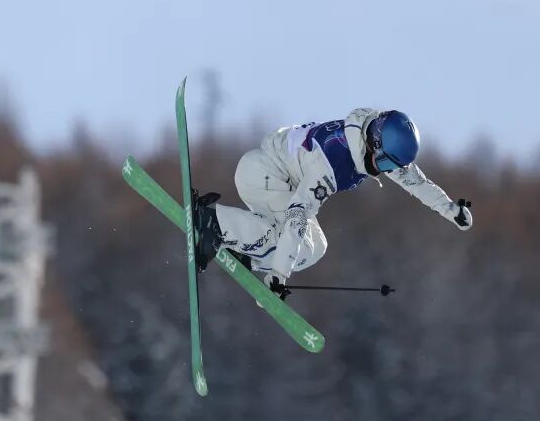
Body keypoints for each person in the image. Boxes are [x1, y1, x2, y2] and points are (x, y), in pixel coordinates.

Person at [192, 108, 472, 298]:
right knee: (297, 246)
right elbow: (298, 215)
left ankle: (248, 250)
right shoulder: (333, 163)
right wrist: (279, 274)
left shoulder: (370, 139)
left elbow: (414, 180)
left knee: (316, 248)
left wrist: (451, 210)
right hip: (264, 176)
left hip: (280, 179)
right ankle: (214, 223)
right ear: (374, 143)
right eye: (385, 162)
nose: (385, 170)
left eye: (391, 166)